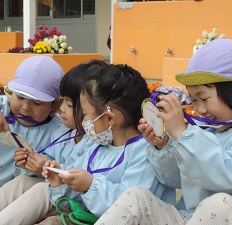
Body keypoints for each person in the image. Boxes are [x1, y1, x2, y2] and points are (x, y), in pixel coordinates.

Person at [94, 39, 232, 225]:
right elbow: (177, 177)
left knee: (220, 203)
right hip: (188, 218)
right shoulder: (203, 131)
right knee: (136, 197)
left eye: (204, 98)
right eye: (194, 101)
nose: (200, 109)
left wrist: (183, 134)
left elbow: (226, 175)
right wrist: (162, 145)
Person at [39, 62, 174, 225]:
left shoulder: (144, 151)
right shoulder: (98, 147)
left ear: (110, 118)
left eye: (86, 114)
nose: (84, 121)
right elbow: (75, 204)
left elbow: (127, 210)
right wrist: (61, 183)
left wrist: (90, 185)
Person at [0, 62, 106, 225]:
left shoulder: (82, 136)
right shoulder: (5, 111)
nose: (26, 108)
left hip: (70, 203)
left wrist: (47, 169)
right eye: (19, 97)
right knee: (25, 181)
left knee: (41, 189)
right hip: (55, 195)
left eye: (69, 105)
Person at [0, 56, 64, 187]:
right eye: (20, 97)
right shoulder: (2, 109)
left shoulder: (60, 134)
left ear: (55, 104)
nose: (26, 107)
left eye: (37, 103)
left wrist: (44, 169)